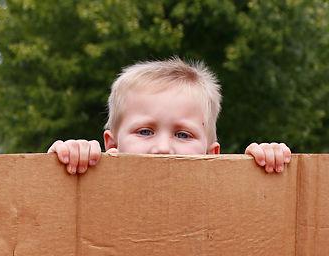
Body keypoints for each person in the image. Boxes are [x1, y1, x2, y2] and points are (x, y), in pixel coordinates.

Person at [48, 57, 291, 175]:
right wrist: (67, 161)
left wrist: (265, 163)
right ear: (112, 145)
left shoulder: (218, 200)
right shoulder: (95, 189)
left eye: (183, 135)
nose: (163, 148)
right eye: (145, 131)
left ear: (210, 154)